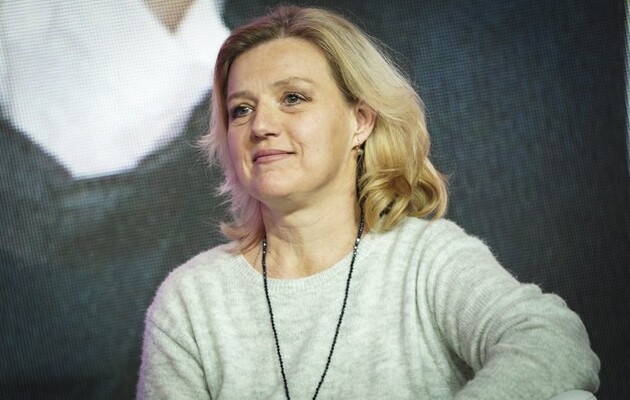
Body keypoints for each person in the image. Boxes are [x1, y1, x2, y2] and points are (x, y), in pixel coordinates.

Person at [136, 5, 600, 399]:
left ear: (359, 121)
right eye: (241, 109)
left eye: (293, 98)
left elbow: (552, 340)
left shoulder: (423, 258)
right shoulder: (192, 300)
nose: (261, 126)